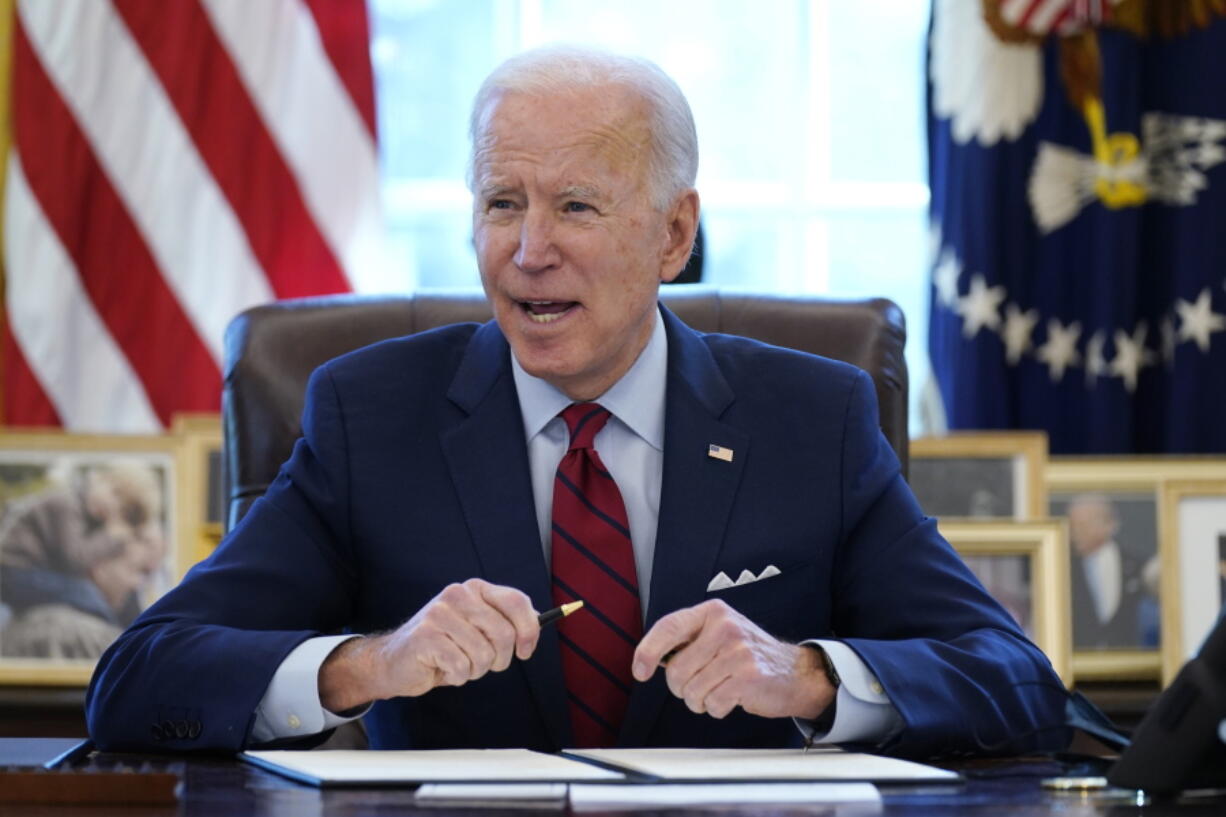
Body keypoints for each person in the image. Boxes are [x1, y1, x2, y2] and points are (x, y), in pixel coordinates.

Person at [86, 46, 1066, 758]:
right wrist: (364, 665)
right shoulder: (368, 415)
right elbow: (141, 678)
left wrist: (808, 675)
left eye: (576, 206)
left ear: (673, 235)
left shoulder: (811, 418)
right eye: (500, 202)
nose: (527, 252)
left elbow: (1017, 681)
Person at [0, 462, 167, 659]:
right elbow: (75, 559)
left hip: (28, 574)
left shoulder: (82, 512)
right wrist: (113, 535)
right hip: (15, 570)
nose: (112, 511)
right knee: (86, 594)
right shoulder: (65, 505)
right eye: (137, 571)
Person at [1066, 493, 1152, 649]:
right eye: (1072, 526)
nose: (1075, 533)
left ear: (1110, 524)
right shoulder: (1062, 569)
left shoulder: (1138, 565)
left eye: (1083, 525)